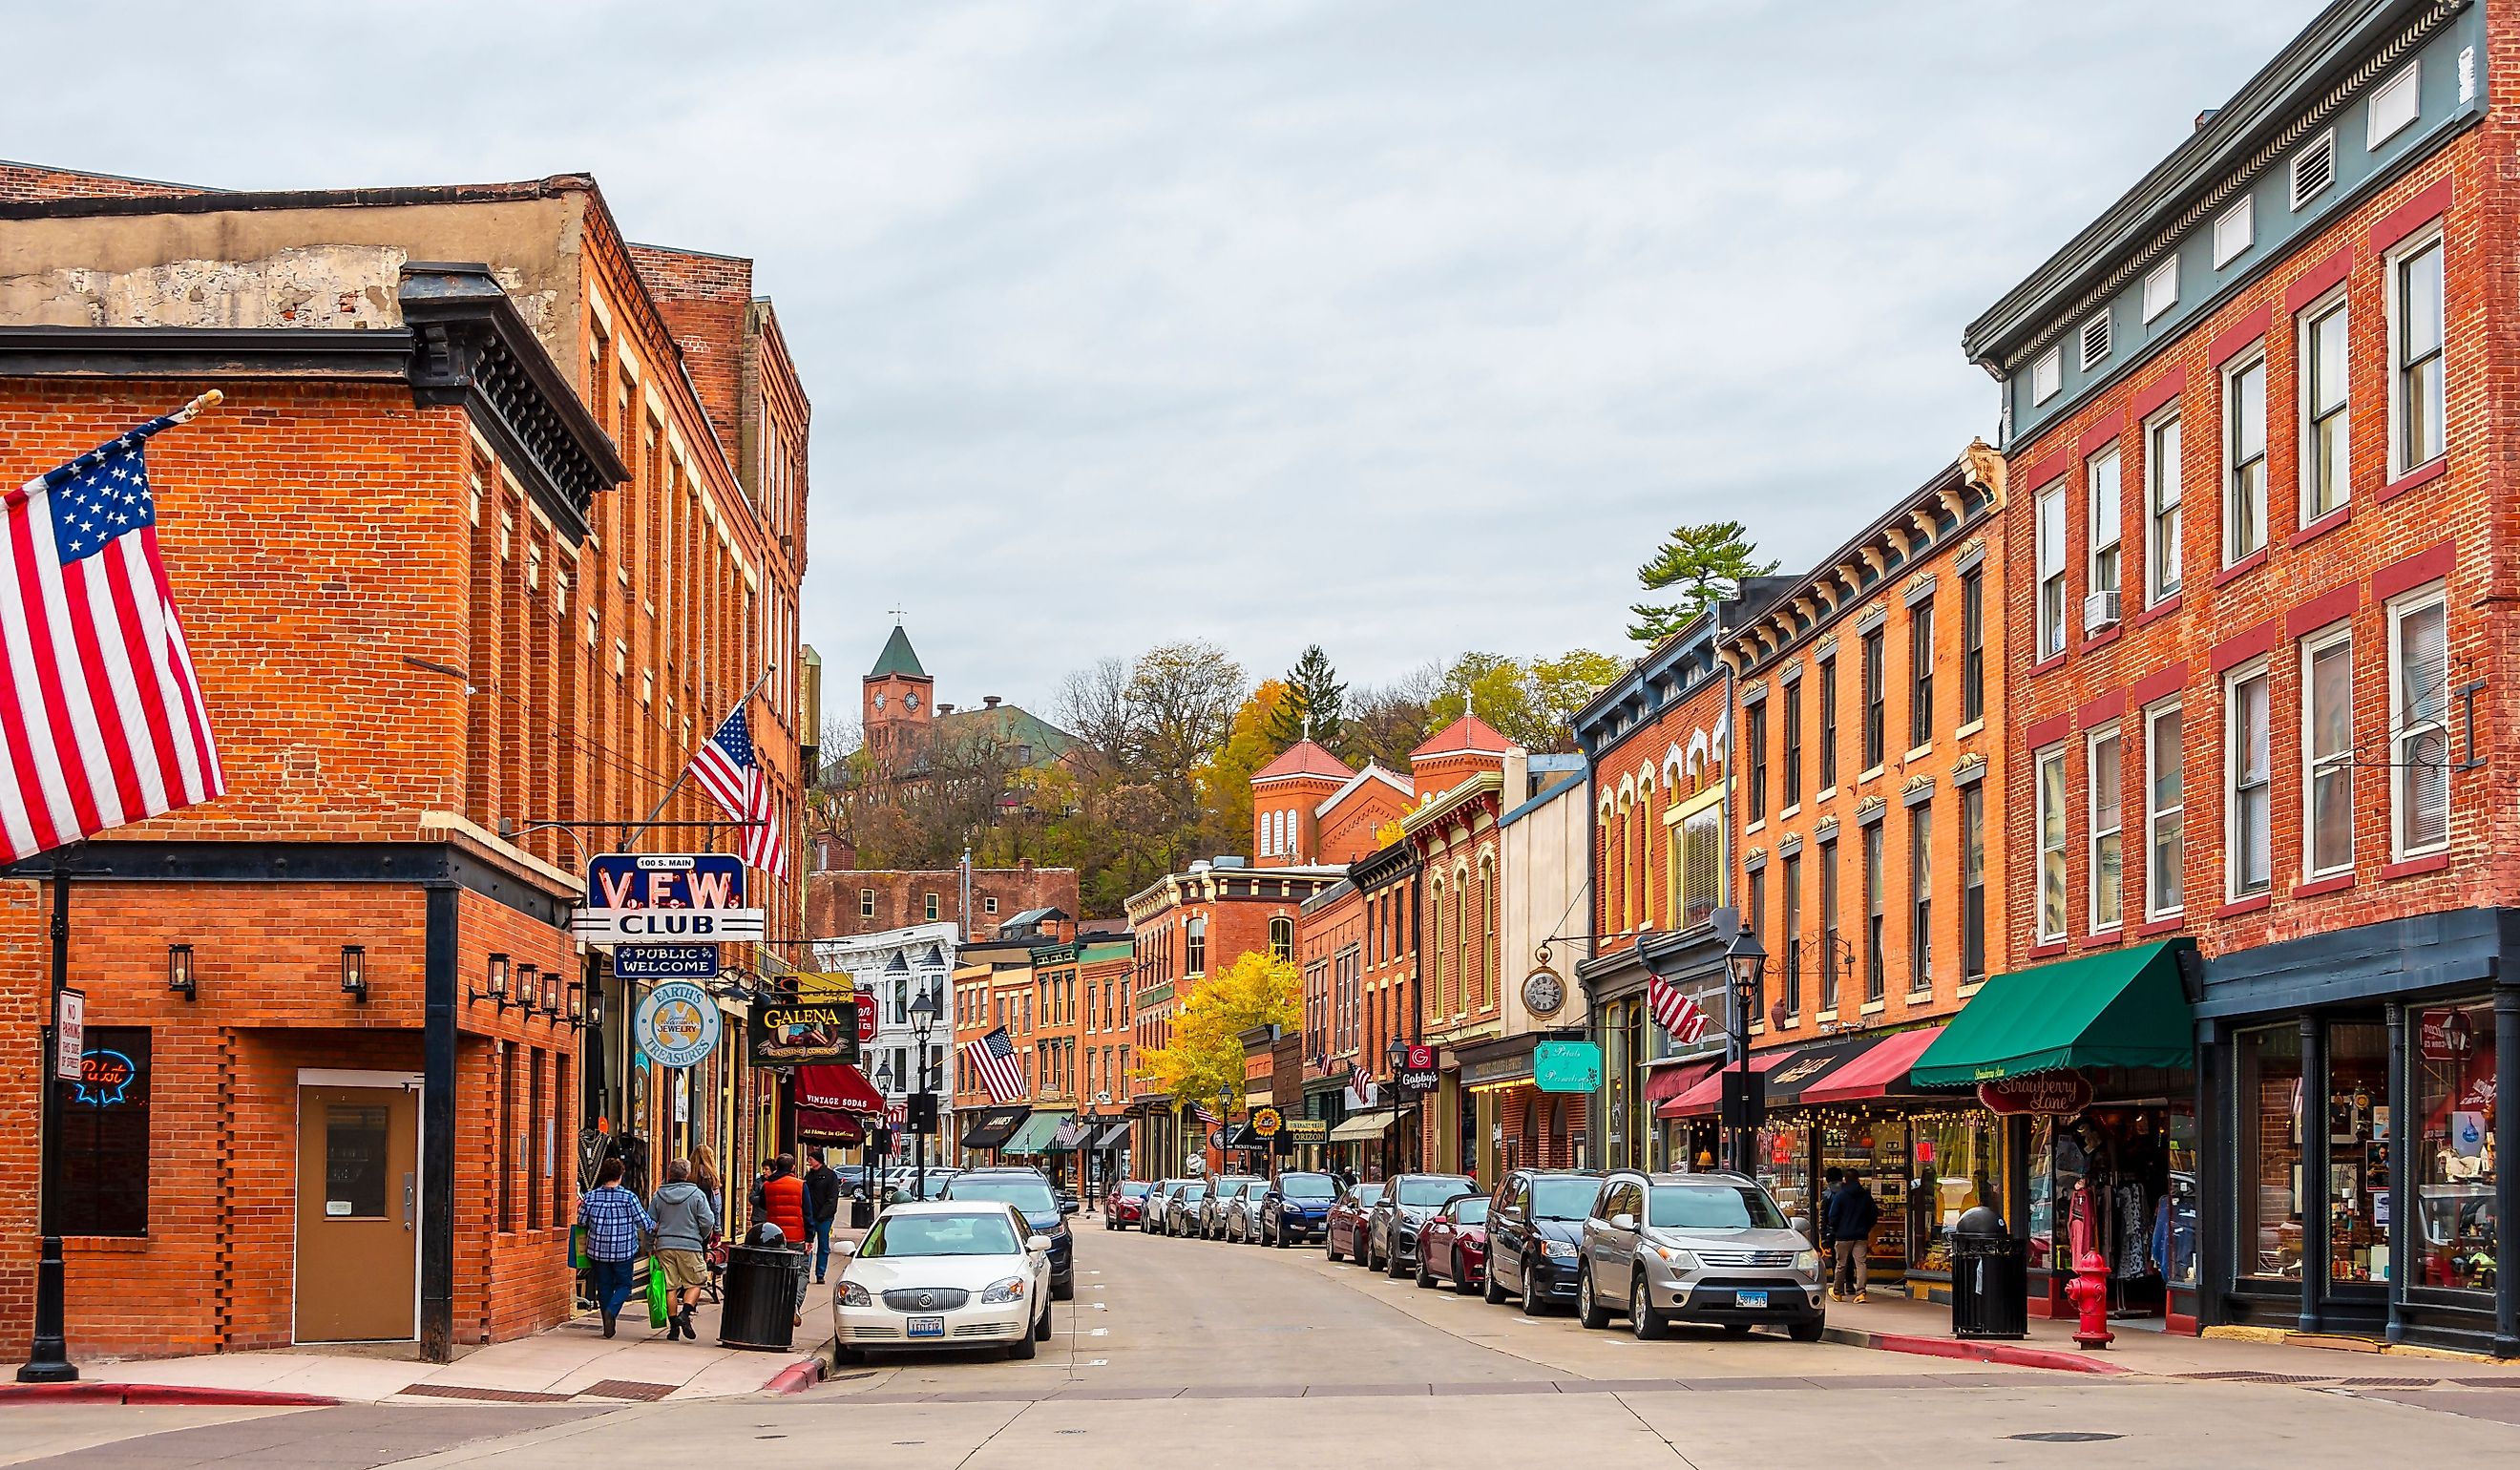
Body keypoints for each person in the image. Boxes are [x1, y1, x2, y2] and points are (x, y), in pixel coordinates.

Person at [577, 1156, 654, 1338]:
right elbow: (644, 1222)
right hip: (623, 1250)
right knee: (624, 1285)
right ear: (620, 1176)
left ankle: (606, 1323)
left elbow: (581, 1221)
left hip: (598, 1250)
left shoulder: (591, 1197)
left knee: (604, 1287)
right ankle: (612, 1311)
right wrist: (656, 1227)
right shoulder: (629, 1197)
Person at [648, 1158, 719, 1340]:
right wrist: (702, 1236)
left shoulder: (659, 1195)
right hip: (690, 1244)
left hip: (665, 1245)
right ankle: (685, 1314)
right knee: (696, 1281)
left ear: (670, 1173)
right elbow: (708, 1220)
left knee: (670, 1287)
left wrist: (650, 1244)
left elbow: (650, 1221)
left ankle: (673, 1330)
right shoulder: (696, 1195)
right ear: (687, 1174)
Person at [759, 1153, 811, 1326]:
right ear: (793, 1167)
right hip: (797, 1236)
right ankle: (794, 1304)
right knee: (801, 1272)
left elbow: (762, 1205)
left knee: (776, 1272)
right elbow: (807, 1213)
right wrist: (810, 1237)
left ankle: (774, 1307)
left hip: (773, 1237)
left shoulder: (767, 1185)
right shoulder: (800, 1185)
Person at [1825, 1166, 1881, 1303]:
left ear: (1845, 1180)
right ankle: (1861, 1292)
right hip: (1861, 1235)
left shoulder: (1840, 1195)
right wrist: (1866, 1228)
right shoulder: (1865, 1196)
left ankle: (1837, 1291)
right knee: (1861, 1264)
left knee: (1841, 1264)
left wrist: (1836, 1229)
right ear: (1858, 1179)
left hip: (1843, 1235)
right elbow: (1874, 1214)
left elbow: (1832, 1217)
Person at [804, 1148, 842, 1284]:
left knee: (823, 1246)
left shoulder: (830, 1176)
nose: (809, 1161)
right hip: (809, 1215)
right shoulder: (809, 1176)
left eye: (811, 1159)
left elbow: (832, 1198)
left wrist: (823, 1214)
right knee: (807, 1244)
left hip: (824, 1218)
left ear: (817, 1160)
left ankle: (820, 1273)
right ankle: (805, 1272)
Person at [1817, 1166, 1844, 1253]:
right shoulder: (1847, 1192)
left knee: (1836, 1260)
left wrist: (1824, 1237)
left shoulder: (1827, 1195)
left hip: (1832, 1232)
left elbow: (1823, 1216)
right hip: (1848, 1231)